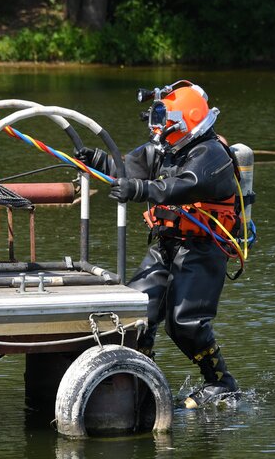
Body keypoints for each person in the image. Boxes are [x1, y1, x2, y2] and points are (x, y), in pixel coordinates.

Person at [77, 82, 244, 408]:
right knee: (137, 310)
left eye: (168, 127)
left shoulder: (211, 154)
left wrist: (139, 190)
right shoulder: (167, 148)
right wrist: (99, 160)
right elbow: (130, 168)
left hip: (203, 248)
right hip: (167, 242)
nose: (162, 135)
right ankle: (143, 375)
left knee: (185, 322)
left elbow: (184, 186)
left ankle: (221, 383)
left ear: (188, 123)